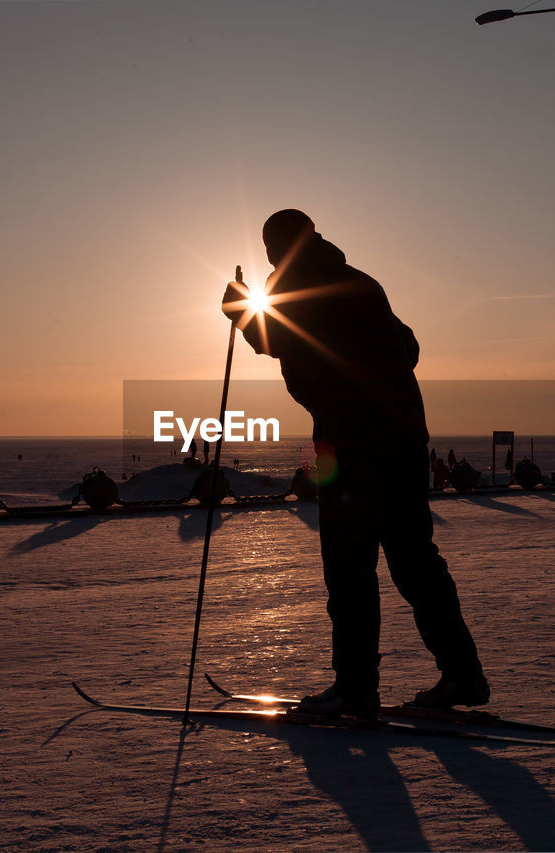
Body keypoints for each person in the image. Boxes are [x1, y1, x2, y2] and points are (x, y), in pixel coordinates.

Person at [222, 209, 487, 718]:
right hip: (404, 441)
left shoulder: (308, 286)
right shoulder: (359, 281)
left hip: (355, 446)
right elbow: (407, 344)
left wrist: (240, 310)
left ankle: (356, 687)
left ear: (278, 248)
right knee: (414, 561)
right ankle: (462, 674)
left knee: (350, 568)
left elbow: (280, 339)